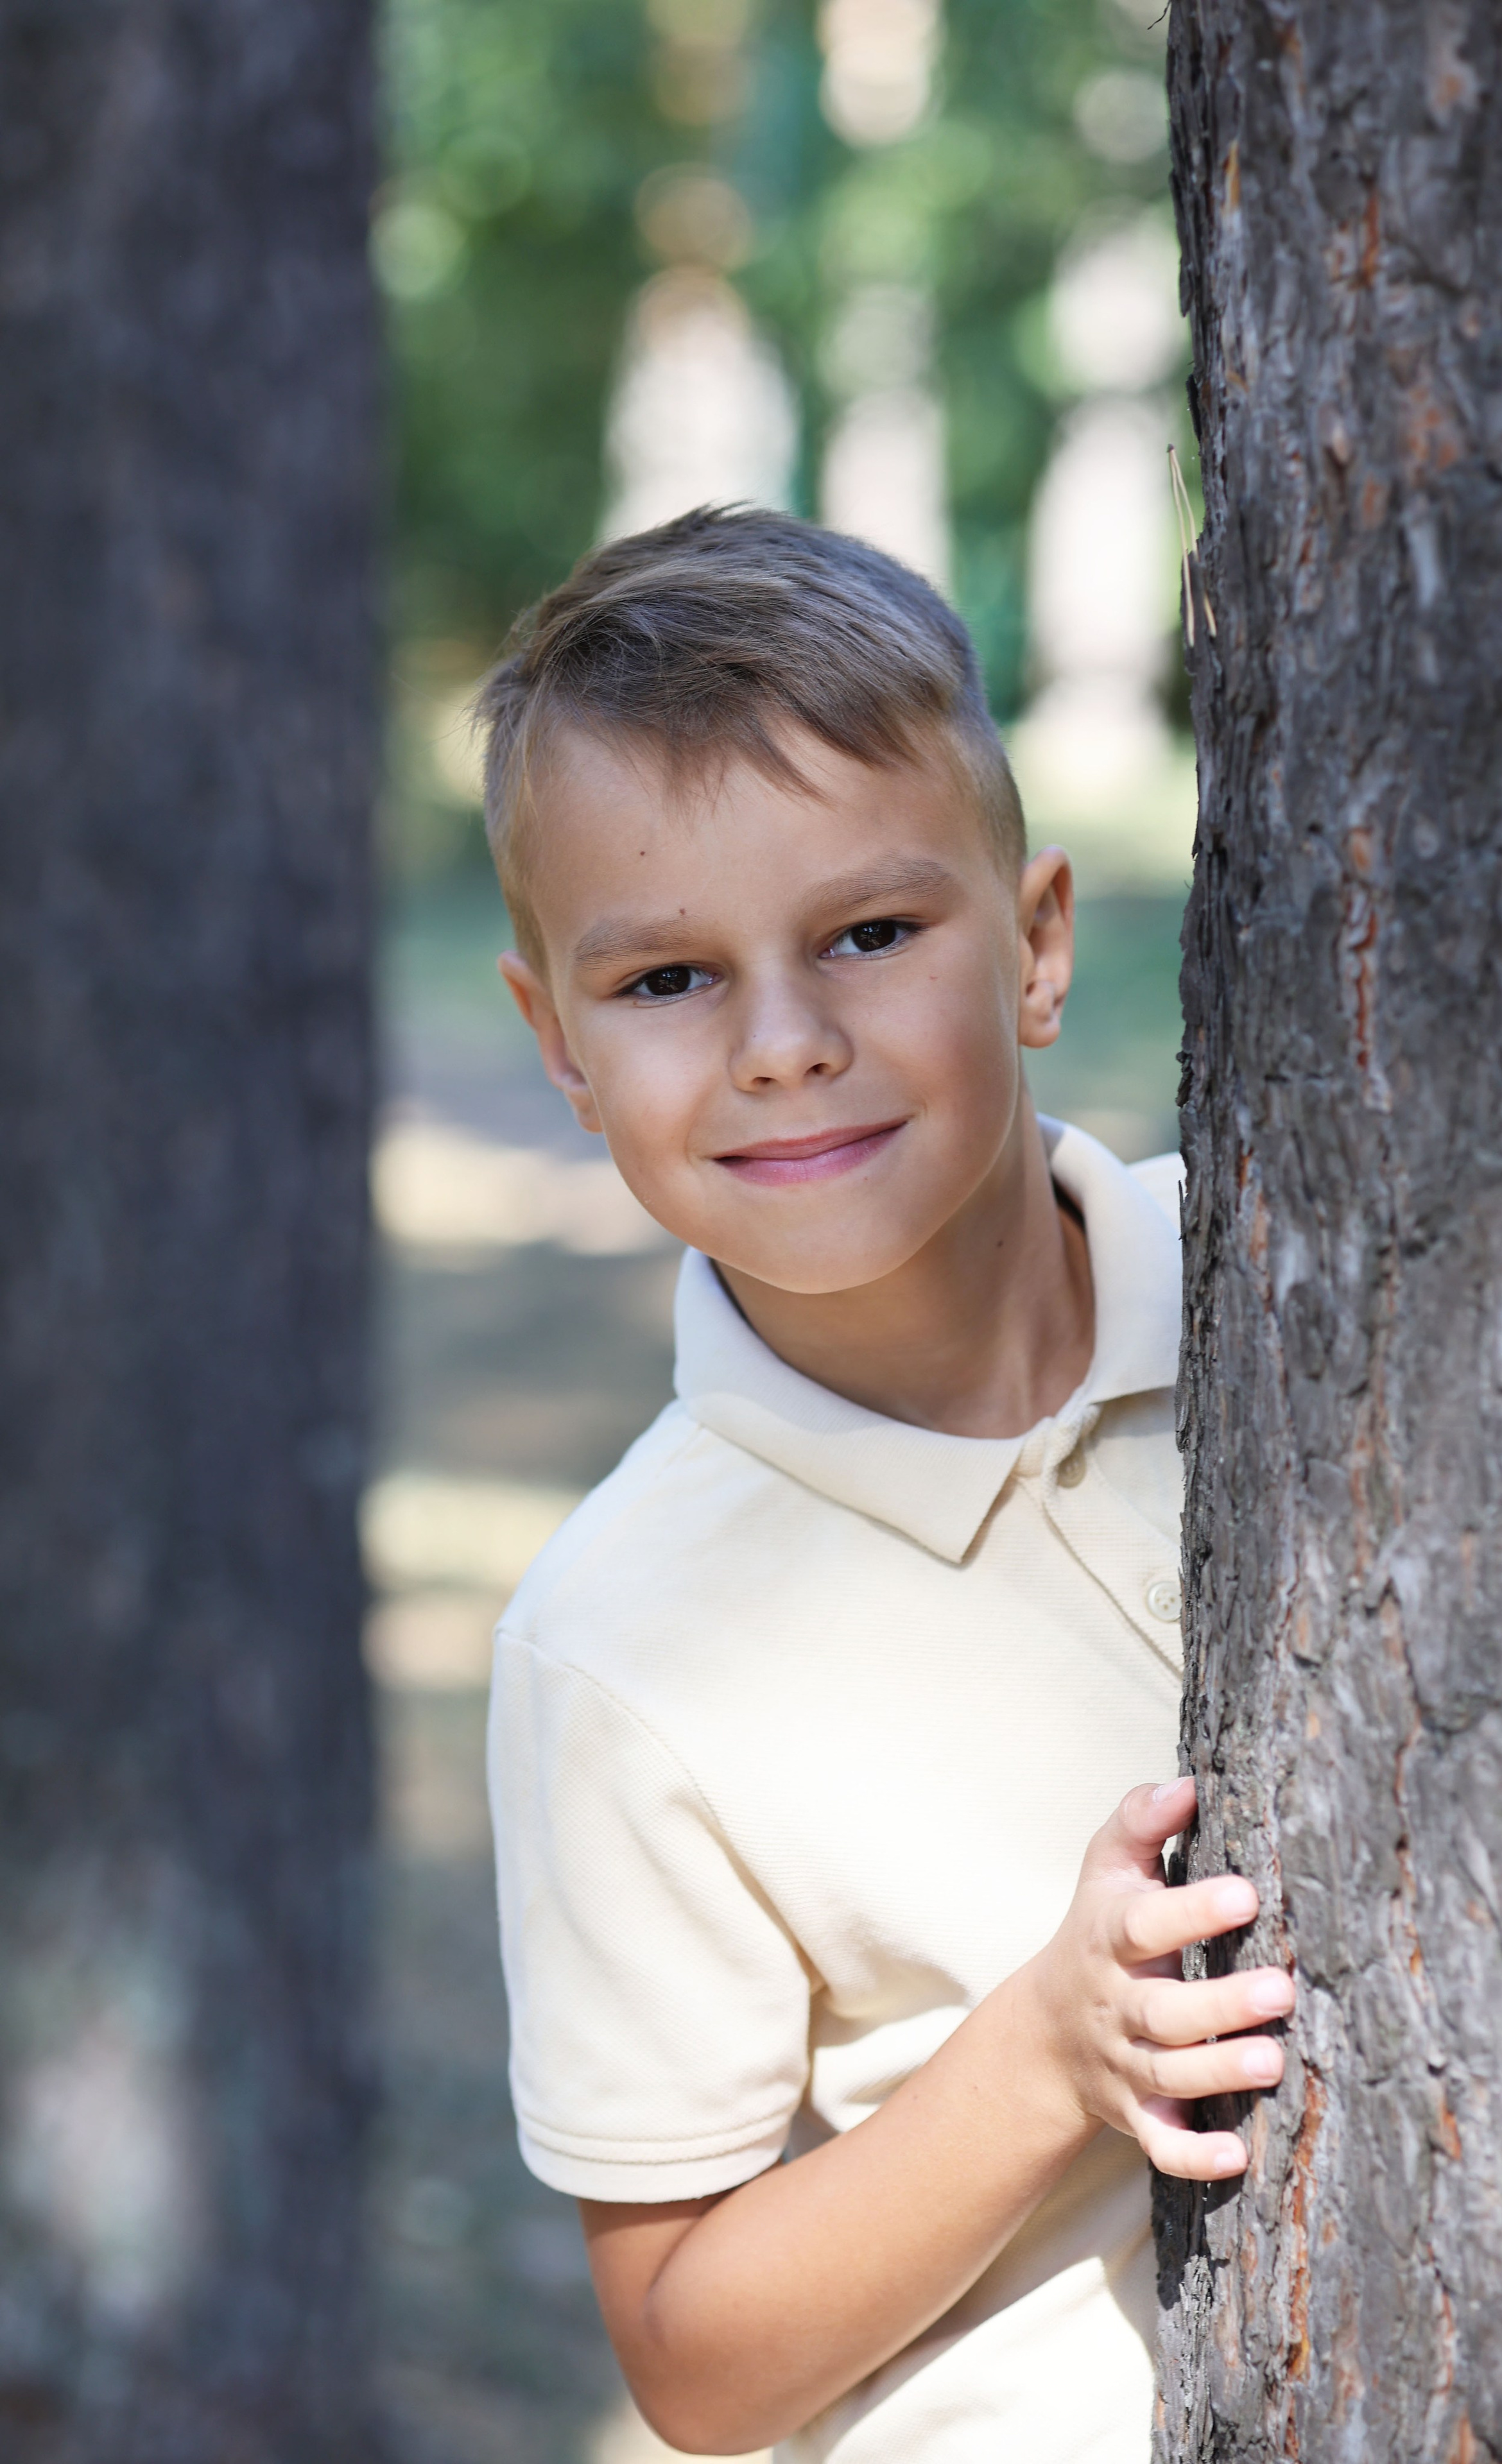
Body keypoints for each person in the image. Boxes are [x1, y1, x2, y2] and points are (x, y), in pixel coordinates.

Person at [479, 506, 1292, 2463]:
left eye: (868, 935)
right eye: (667, 979)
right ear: (559, 1046)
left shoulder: (1308, 1288)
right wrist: (1039, 2055)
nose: (783, 1045)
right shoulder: (618, 1645)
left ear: (1036, 942)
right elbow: (691, 2360)